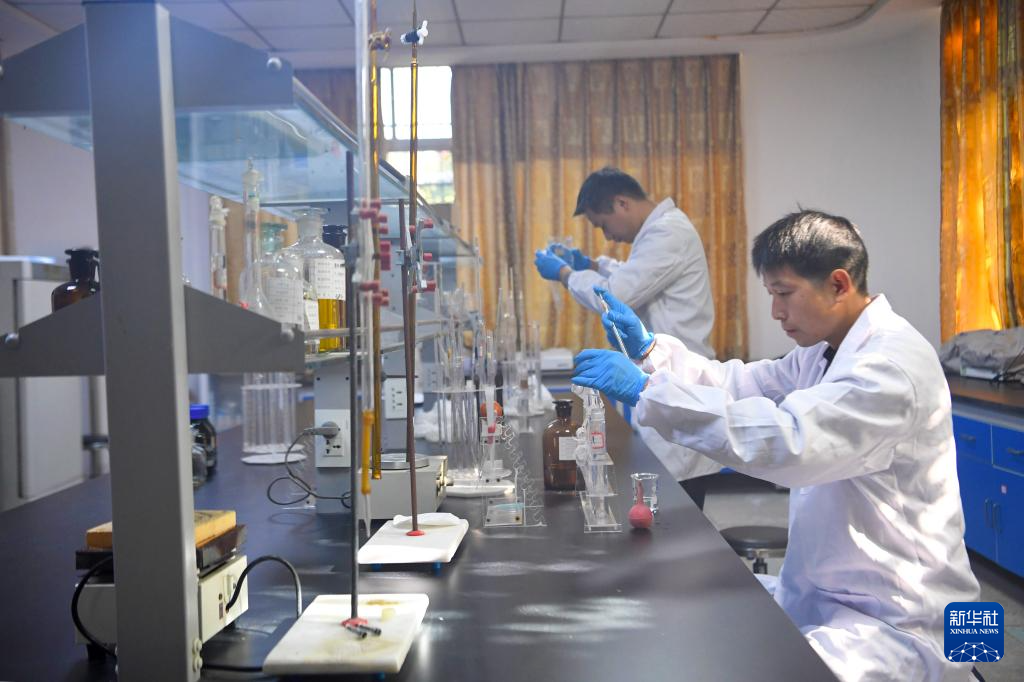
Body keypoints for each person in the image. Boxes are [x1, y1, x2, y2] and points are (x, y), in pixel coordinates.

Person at [571, 210, 980, 681]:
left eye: (784, 293)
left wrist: (648, 393)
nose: (776, 312)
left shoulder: (890, 368)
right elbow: (743, 384)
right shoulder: (824, 350)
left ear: (839, 284)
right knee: (694, 623)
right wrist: (651, 353)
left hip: (904, 617)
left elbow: (791, 442)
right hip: (836, 593)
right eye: (771, 294)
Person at [532, 167, 721, 506]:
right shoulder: (661, 232)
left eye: (603, 224)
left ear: (621, 203)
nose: (607, 236)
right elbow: (635, 275)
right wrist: (591, 265)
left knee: (681, 512)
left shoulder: (668, 233)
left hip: (681, 378)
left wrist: (566, 274)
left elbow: (618, 293)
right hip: (665, 375)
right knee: (664, 502)